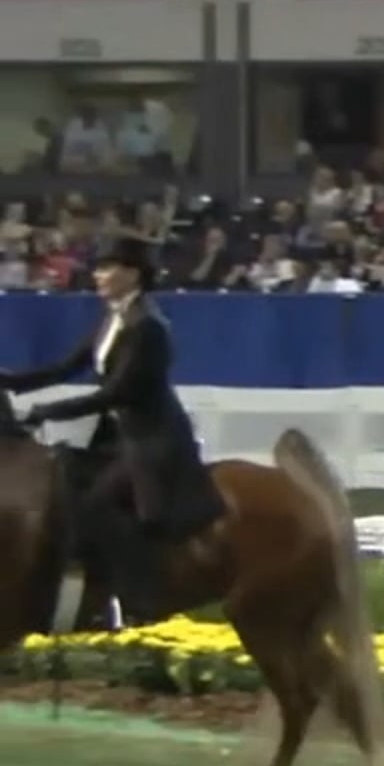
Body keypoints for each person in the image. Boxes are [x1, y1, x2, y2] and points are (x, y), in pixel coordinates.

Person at [2, 239, 225, 624]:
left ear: (133, 273)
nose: (97, 276)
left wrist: (48, 411)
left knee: (99, 504)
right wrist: (9, 381)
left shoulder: (147, 326)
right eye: (98, 268)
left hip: (152, 440)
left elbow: (117, 393)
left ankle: (136, 599)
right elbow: (66, 367)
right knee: (64, 481)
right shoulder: (112, 318)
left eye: (107, 268)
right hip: (117, 437)